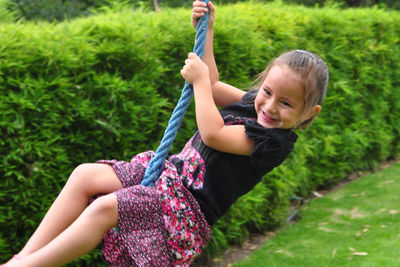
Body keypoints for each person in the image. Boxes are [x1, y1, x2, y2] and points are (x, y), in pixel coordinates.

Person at [2, 0, 328, 266]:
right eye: (267, 91)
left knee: (104, 209)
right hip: (167, 177)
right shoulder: (252, 103)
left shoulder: (274, 142)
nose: (270, 106)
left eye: (286, 103)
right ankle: (24, 257)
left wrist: (198, 81)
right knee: (86, 175)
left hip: (184, 212)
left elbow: (213, 133)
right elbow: (213, 85)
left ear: (307, 114)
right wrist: (207, 32)